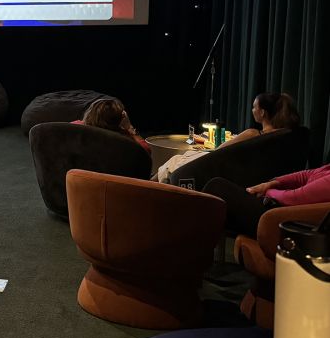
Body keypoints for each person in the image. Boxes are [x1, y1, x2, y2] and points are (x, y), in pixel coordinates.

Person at [159, 92, 301, 183]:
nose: (252, 110)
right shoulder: (281, 137)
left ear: (262, 112)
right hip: (242, 174)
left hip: (218, 170)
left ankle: (146, 186)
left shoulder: (253, 134)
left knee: (177, 159)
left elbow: (219, 151)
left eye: (254, 107)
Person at [204, 162, 330, 238]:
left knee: (217, 188)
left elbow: (294, 197)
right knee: (216, 197)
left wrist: (268, 192)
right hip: (278, 209)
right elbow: (306, 175)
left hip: (285, 223)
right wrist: (271, 183)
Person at [75, 97, 150, 152]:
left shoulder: (74, 127)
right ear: (121, 119)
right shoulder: (125, 141)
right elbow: (146, 149)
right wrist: (129, 127)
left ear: (89, 113)